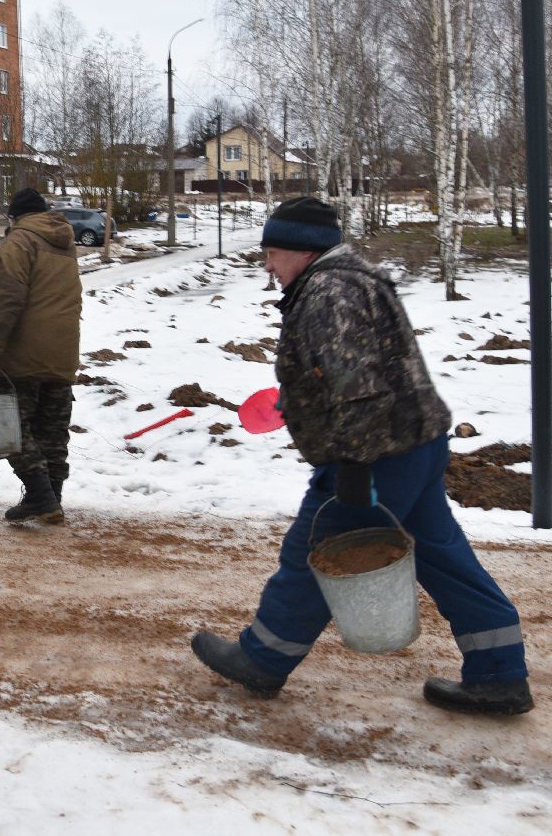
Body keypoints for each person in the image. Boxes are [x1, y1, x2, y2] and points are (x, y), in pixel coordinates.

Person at [191, 196, 533, 715]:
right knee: (444, 558)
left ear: (303, 251)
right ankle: (499, 674)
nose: (268, 266)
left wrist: (353, 463)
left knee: (314, 551)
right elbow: (356, 370)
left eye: (272, 254)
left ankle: (262, 659)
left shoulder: (328, 292)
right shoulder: (354, 279)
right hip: (414, 441)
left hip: (376, 453)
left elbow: (359, 386)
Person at [0, 187, 82, 524]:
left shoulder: (19, 242)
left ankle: (40, 497)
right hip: (63, 353)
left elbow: (6, 301)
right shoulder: (64, 243)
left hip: (23, 355)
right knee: (52, 432)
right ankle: (52, 500)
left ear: (14, 216)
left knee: (8, 429)